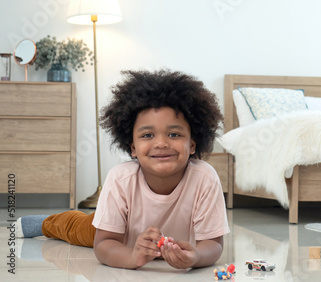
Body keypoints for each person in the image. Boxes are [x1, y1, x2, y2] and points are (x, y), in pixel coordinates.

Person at [16, 69, 229, 270]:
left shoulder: (205, 178)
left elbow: (213, 244)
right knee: (74, 226)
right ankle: (44, 222)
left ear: (192, 144)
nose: (161, 143)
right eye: (147, 135)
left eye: (174, 134)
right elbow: (104, 245)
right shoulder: (121, 178)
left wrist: (197, 257)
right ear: (133, 147)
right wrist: (131, 256)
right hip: (117, 233)